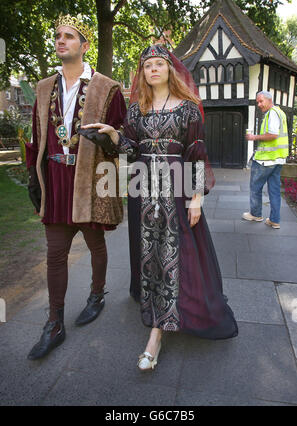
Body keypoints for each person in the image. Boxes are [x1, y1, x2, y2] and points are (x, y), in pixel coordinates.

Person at [80, 44, 238, 371]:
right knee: (151, 255)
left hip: (177, 191)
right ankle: (158, 319)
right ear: (143, 72)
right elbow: (132, 150)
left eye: (158, 64)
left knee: (176, 255)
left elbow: (196, 153)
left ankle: (157, 332)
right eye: (147, 65)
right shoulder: (136, 111)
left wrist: (197, 197)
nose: (152, 69)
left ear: (170, 69)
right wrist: (113, 134)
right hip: (144, 192)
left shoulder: (189, 109)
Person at [25, 14, 127, 360]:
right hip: (55, 182)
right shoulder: (42, 88)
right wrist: (33, 177)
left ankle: (97, 294)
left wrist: (110, 138)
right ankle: (54, 321)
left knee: (96, 244)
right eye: (57, 36)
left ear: (84, 46)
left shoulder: (107, 88)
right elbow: (38, 140)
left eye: (69, 36)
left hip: (90, 182)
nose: (60, 40)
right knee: (55, 253)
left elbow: (121, 140)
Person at [243, 91, 289, 229]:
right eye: (257, 102)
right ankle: (275, 220)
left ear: (269, 100)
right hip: (278, 159)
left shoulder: (272, 113)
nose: (259, 104)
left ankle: (256, 214)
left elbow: (273, 135)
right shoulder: (280, 112)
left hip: (266, 160)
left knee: (255, 187)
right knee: (274, 190)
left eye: (261, 101)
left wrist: (254, 137)